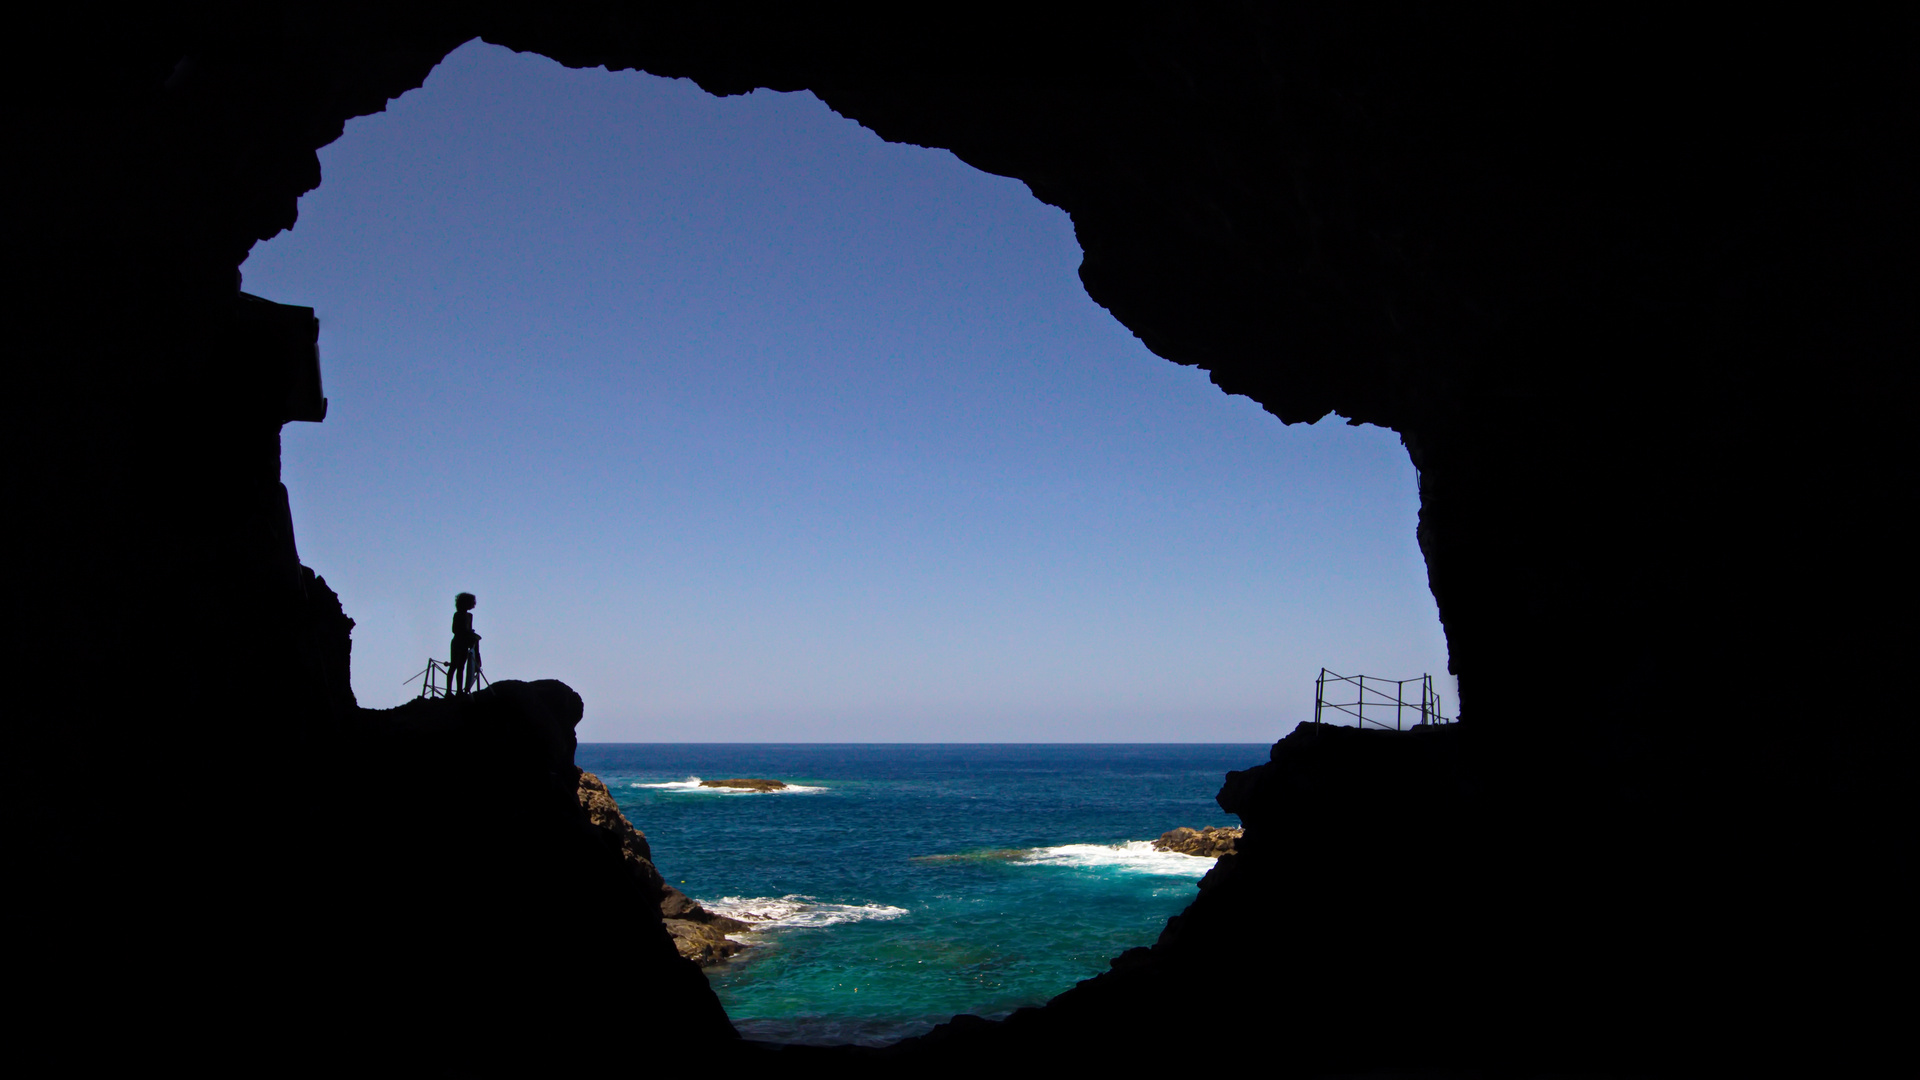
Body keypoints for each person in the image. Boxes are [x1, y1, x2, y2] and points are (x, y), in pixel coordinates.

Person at [448, 592, 482, 697]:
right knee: (454, 665)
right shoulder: (458, 615)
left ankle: (459, 690)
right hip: (458, 642)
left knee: (461, 667)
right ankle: (449, 691)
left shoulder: (469, 616)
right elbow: (455, 630)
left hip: (465, 643)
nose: (474, 605)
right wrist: (468, 633)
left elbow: (468, 629)